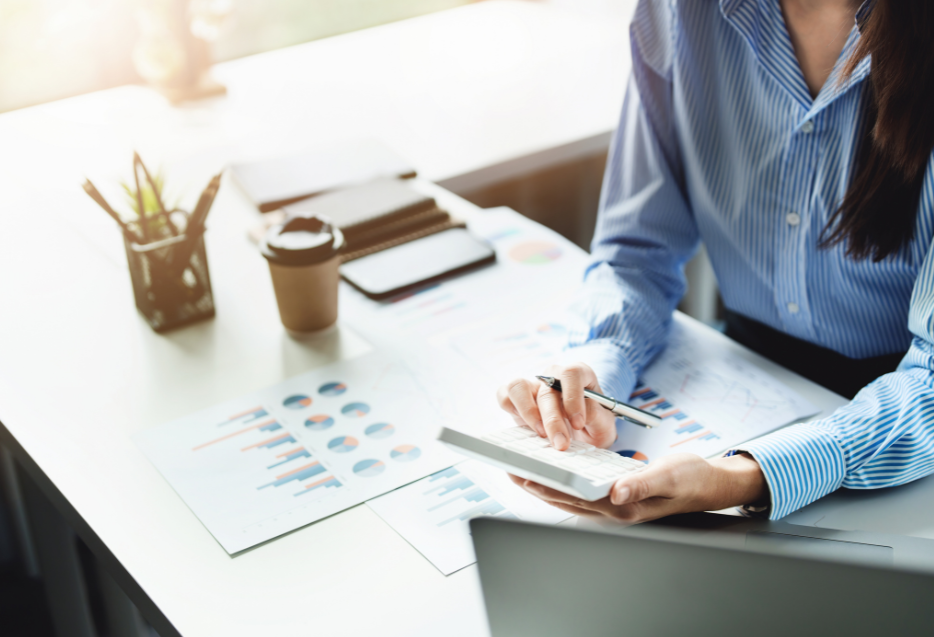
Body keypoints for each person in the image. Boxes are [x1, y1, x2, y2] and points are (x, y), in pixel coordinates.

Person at [497, 0, 934, 523]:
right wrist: (598, 361)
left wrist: (745, 476)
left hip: (899, 433)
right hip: (746, 369)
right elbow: (638, 251)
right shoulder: (678, 11)